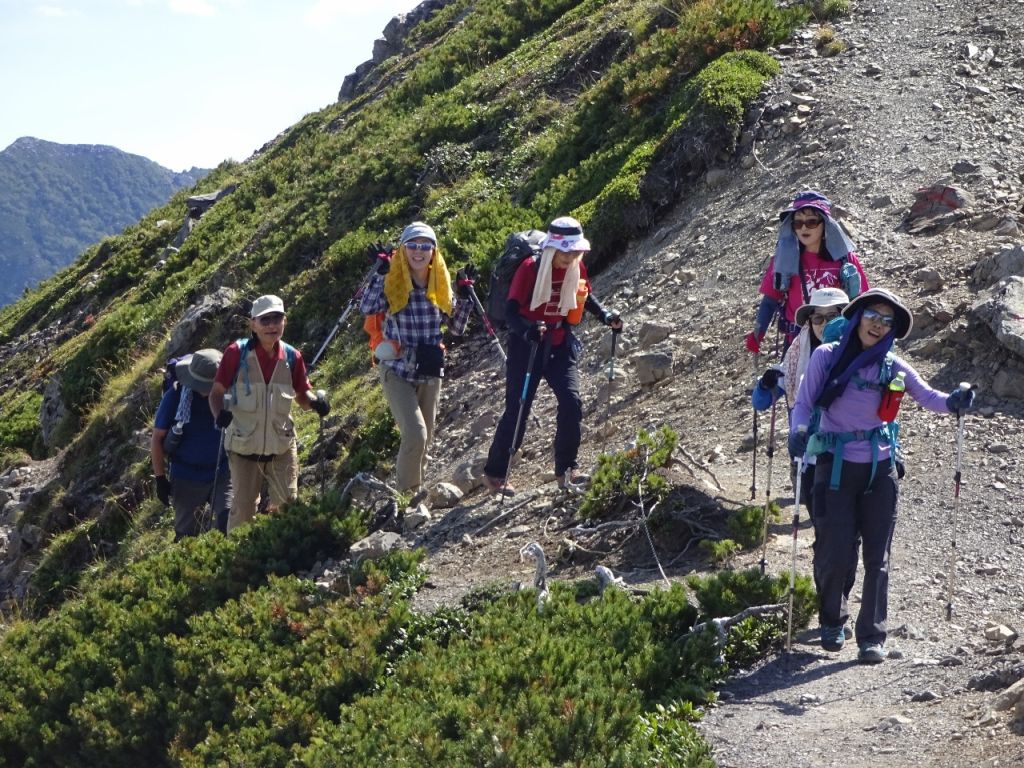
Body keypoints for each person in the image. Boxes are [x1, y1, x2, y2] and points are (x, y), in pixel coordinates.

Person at [788, 288, 975, 664]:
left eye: (888, 321)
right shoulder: (826, 357)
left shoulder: (893, 366)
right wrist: (798, 433)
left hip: (880, 469)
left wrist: (954, 401)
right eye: (874, 315)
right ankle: (831, 620)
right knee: (834, 549)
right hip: (834, 467)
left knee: (878, 556)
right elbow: (804, 403)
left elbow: (930, 397)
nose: (879, 324)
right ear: (858, 316)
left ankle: (871, 636)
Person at [483, 216, 623, 495]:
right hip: (527, 347)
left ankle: (567, 470)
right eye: (566, 251)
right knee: (518, 408)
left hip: (560, 343)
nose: (570, 257)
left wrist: (606, 316)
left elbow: (585, 295)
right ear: (552, 249)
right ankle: (496, 474)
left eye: (575, 252)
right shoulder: (529, 268)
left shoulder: (576, 266)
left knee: (571, 402)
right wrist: (527, 331)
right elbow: (511, 311)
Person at [358, 222, 472, 497]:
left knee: (426, 438)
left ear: (433, 251)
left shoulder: (440, 284)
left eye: (425, 246)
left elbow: (456, 328)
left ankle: (416, 496)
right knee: (416, 434)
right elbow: (367, 306)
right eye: (412, 245)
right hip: (396, 369)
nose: (418, 251)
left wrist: (465, 296)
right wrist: (380, 274)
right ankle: (407, 497)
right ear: (403, 249)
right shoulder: (394, 280)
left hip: (430, 371)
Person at [208, 295, 330, 532]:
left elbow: (303, 396)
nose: (272, 325)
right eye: (265, 320)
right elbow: (216, 392)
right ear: (253, 324)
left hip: (282, 447)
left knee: (288, 506)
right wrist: (218, 415)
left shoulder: (293, 357)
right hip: (243, 449)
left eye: (277, 318)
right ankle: (238, 564)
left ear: (284, 321)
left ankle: (281, 561)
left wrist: (317, 403)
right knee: (243, 512)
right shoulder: (236, 353)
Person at [746, 190, 868, 355]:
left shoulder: (844, 259)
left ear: (825, 223)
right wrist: (758, 333)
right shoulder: (784, 260)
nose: (803, 227)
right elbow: (770, 300)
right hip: (798, 340)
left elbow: (863, 300)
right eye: (797, 223)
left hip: (838, 336)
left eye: (811, 222)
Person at [151, 349, 232, 540]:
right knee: (186, 536)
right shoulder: (175, 397)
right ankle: (190, 568)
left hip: (222, 470)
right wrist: (160, 479)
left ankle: (233, 567)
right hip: (186, 475)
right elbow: (157, 439)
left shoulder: (228, 394)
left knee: (229, 521)